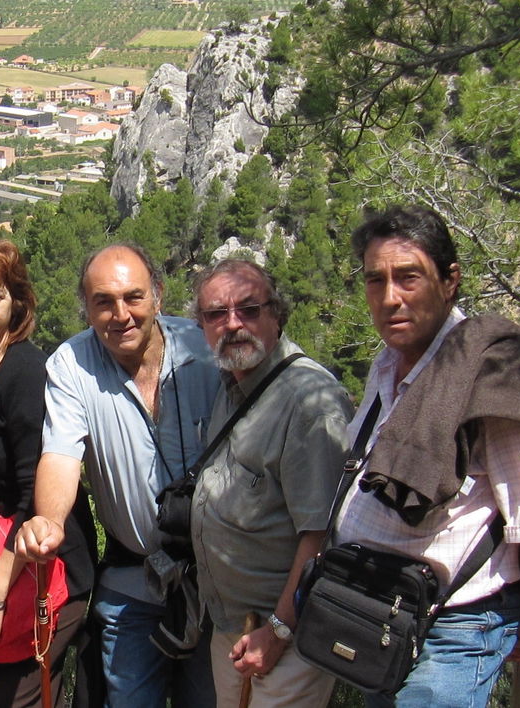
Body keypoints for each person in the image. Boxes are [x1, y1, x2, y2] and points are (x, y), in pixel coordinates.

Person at [334, 205, 520, 707]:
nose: (389, 298)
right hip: (380, 614)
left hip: (454, 629)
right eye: (375, 281)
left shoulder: (494, 374)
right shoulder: (387, 367)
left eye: (408, 278)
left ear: (450, 282)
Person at [15, 243, 221, 708]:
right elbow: (61, 456)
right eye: (103, 301)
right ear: (86, 307)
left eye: (134, 297)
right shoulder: (71, 365)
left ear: (158, 296)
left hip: (216, 585)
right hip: (135, 583)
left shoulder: (206, 351)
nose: (120, 314)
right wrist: (48, 521)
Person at [0, 239, 98, 707]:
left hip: (50, 570)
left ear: (17, 303)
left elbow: (36, 496)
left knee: (14, 699)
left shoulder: (26, 373)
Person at [187, 259, 351, 708]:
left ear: (277, 315)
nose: (232, 324)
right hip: (234, 626)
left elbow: (321, 536)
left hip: (284, 637)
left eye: (249, 309)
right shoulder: (231, 385)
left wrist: (278, 630)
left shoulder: (309, 402)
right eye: (216, 314)